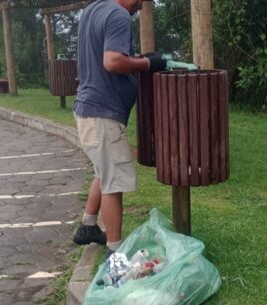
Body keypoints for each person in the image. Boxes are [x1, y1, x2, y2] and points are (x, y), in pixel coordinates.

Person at [71, 0, 167, 256]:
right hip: (103, 113)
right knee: (114, 184)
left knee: (105, 171)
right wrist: (147, 64)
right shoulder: (118, 15)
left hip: (87, 109)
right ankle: (116, 252)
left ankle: (88, 226)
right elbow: (112, 61)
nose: (140, 7)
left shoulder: (92, 9)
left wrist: (138, 59)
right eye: (141, 2)